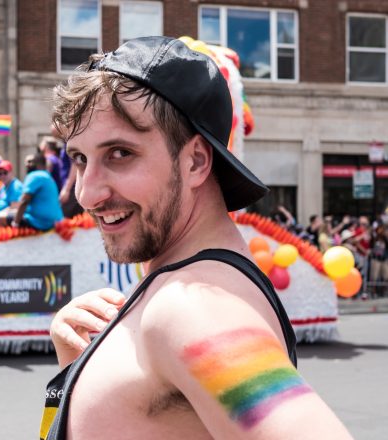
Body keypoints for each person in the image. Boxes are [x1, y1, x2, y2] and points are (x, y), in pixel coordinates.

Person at [41, 37, 352, 439]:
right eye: (80, 159)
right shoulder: (185, 290)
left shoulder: (193, 305)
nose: (87, 192)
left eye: (120, 153)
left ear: (196, 161)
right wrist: (76, 368)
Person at [11, 152, 63, 231]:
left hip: (40, 222)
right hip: (56, 221)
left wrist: (16, 223)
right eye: (26, 162)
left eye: (30, 162)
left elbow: (24, 201)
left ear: (40, 164)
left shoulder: (35, 175)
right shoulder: (47, 176)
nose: (27, 164)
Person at [0, 160, 24, 227]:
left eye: (5, 173)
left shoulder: (16, 186)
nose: (2, 176)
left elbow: (15, 206)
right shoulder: (3, 186)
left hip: (6, 218)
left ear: (11, 172)